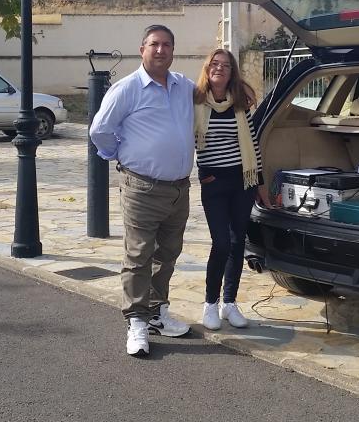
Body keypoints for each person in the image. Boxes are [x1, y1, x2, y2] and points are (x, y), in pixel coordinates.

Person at [89, 24, 195, 357]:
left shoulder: (183, 86)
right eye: (154, 44)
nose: (160, 50)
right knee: (138, 256)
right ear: (142, 49)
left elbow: (216, 96)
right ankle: (136, 321)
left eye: (166, 45)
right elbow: (100, 130)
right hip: (142, 188)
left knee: (167, 255)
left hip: (178, 189)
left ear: (173, 50)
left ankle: (156, 313)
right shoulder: (127, 89)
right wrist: (118, 154)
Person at [193, 48, 270, 331]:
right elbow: (186, 138)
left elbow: (253, 144)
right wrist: (203, 173)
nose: (220, 68)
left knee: (238, 243)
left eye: (226, 65)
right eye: (215, 64)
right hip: (214, 183)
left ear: (232, 72)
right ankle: (210, 303)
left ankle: (229, 302)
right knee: (222, 243)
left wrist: (259, 183)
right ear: (207, 68)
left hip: (242, 182)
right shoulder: (196, 101)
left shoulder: (240, 102)